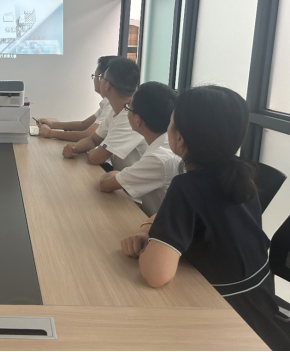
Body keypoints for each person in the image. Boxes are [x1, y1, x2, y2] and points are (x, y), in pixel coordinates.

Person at [120, 86, 290, 350]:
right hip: (262, 308)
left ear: (180, 139)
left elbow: (156, 275)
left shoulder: (186, 187)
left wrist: (151, 244)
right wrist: (149, 230)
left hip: (225, 320)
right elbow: (192, 221)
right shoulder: (241, 174)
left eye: (171, 124)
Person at [99, 81, 180, 216]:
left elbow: (105, 184)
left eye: (128, 108)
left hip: (156, 226)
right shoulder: (167, 143)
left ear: (138, 120)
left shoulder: (158, 158)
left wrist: (118, 173)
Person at [62, 57, 147, 171]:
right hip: (121, 177)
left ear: (107, 85)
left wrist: (92, 152)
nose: (98, 80)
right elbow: (92, 140)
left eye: (101, 78)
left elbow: (96, 158)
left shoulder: (130, 117)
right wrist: (74, 148)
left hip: (133, 181)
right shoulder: (115, 110)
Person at [37, 55, 117, 141]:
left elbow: (87, 135)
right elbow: (83, 125)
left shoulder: (111, 105)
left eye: (95, 76)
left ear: (103, 79)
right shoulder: (107, 102)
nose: (94, 80)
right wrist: (52, 124)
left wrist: (51, 133)